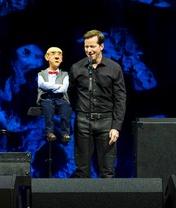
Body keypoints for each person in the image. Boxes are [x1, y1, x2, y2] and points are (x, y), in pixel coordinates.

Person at [68, 29, 127, 178]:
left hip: (106, 122)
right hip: (82, 121)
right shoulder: (76, 68)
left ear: (101, 46)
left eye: (92, 46)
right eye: (86, 47)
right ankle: (83, 201)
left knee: (107, 171)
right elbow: (67, 94)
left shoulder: (114, 68)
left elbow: (120, 98)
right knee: (82, 170)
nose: (89, 50)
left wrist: (116, 127)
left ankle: (106, 201)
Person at [37, 47, 72, 143]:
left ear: (62, 59)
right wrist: (57, 86)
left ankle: (65, 133)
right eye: (53, 53)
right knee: (48, 107)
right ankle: (49, 132)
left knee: (66, 107)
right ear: (47, 57)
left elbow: (64, 88)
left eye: (59, 54)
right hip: (46, 97)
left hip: (60, 98)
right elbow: (42, 85)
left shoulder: (65, 74)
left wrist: (51, 87)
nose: (57, 56)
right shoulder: (41, 74)